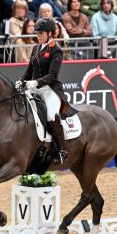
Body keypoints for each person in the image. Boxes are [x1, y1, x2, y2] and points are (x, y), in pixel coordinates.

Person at [14, 18, 76, 164]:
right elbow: (30, 70)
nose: (38, 35)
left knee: (50, 115)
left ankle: (61, 150)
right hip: (33, 87)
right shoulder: (36, 48)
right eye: (37, 33)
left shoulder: (57, 50)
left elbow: (52, 75)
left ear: (50, 33)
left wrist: (35, 82)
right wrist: (21, 80)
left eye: (41, 33)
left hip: (50, 89)